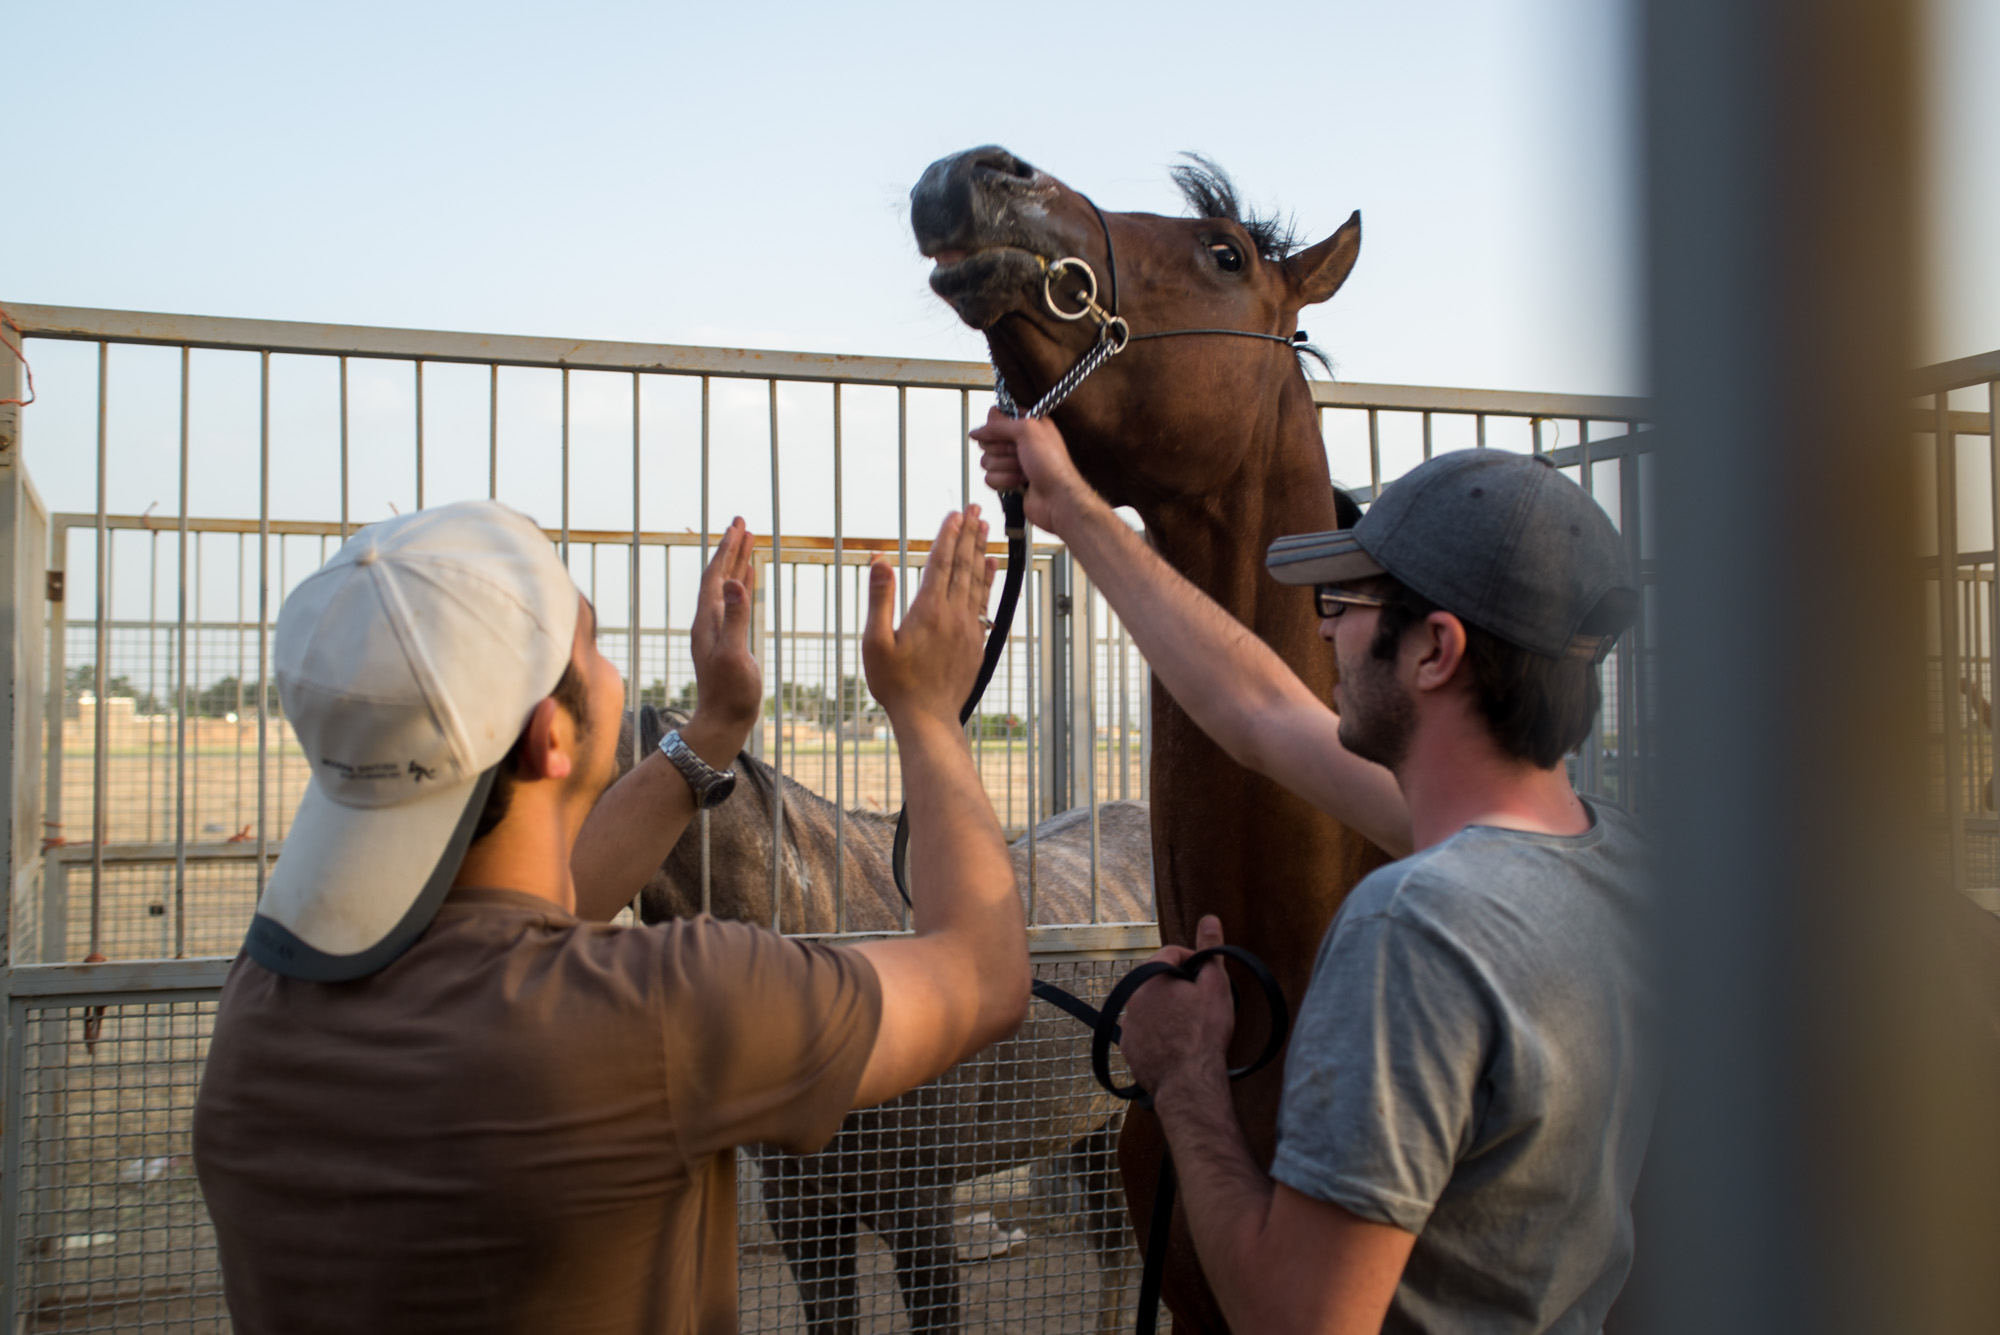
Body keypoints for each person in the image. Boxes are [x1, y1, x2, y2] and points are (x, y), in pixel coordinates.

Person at [192, 498, 1028, 1335]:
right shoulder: (665, 1008)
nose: (613, 667)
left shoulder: (260, 1003)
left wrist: (715, 728)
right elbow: (984, 976)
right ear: (549, 736)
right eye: (591, 643)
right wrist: (928, 715)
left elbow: (540, 909)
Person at [977, 413, 1654, 1334]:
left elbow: (1300, 1318)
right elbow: (1257, 708)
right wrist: (1072, 508)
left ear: (1435, 649)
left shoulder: (1416, 925)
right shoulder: (1611, 864)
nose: (1323, 633)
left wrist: (1183, 1078)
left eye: (1343, 605)